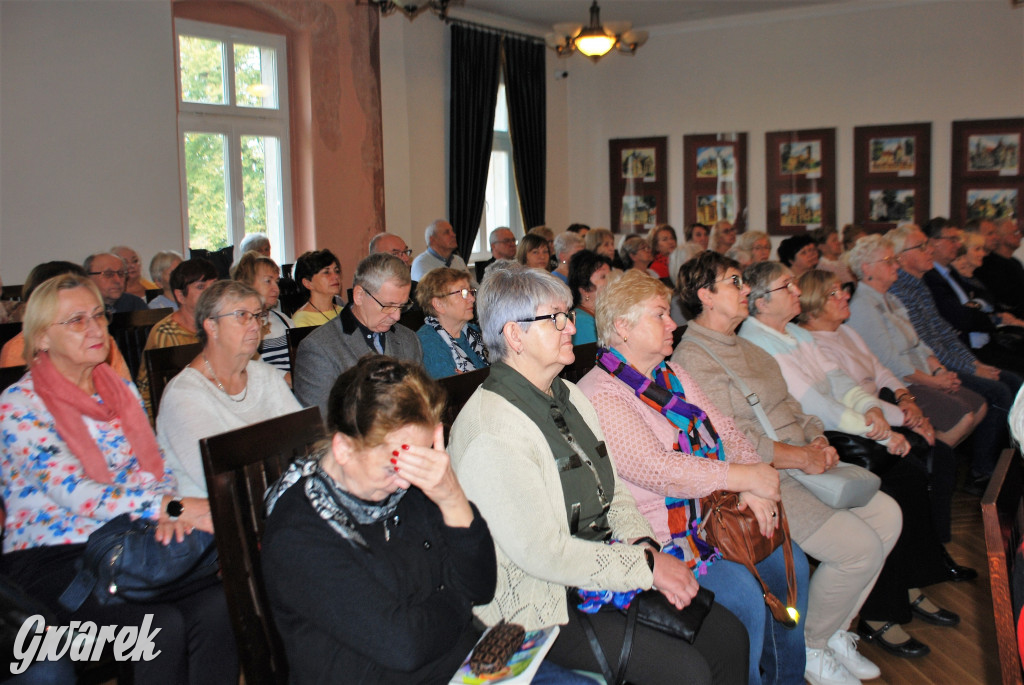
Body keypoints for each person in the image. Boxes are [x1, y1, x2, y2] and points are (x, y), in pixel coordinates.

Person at [448, 264, 749, 685]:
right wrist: (646, 567)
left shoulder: (568, 395)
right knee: (687, 671)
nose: (572, 327)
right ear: (515, 336)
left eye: (569, 315)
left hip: (602, 567)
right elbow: (544, 554)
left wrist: (646, 547)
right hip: (542, 602)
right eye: (556, 319)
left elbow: (614, 492)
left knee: (728, 636)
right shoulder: (491, 431)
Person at [0, 273, 238, 684]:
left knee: (218, 605)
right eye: (77, 320)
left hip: (130, 538)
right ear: (41, 338)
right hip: (55, 558)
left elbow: (155, 467)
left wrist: (167, 512)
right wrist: (171, 507)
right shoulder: (19, 406)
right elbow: (77, 492)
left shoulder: (119, 391)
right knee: (158, 627)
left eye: (98, 315)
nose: (96, 328)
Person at [675, 252, 900, 685]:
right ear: (706, 295)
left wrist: (818, 440)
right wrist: (802, 457)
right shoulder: (694, 358)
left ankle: (832, 632)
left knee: (888, 515)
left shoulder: (749, 348)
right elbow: (730, 442)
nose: (745, 289)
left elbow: (794, 408)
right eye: (735, 282)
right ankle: (812, 644)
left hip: (803, 461)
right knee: (859, 550)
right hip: (766, 479)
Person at [578, 270, 810, 685]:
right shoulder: (601, 393)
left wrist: (754, 485)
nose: (673, 324)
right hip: (660, 537)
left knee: (791, 565)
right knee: (744, 597)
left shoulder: (670, 375)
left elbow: (726, 430)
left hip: (711, 514)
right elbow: (660, 470)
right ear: (623, 327)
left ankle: (787, 678)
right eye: (660, 315)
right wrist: (745, 478)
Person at [739, 261, 969, 657]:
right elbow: (815, 404)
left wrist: (873, 409)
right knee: (901, 482)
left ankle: (904, 586)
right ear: (761, 302)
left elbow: (840, 381)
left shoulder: (794, 332)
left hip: (830, 430)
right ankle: (880, 611)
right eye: (786, 286)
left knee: (914, 475)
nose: (797, 291)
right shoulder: (758, 343)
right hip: (814, 440)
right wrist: (883, 431)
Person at [262, 356, 496, 683]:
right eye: (391, 467)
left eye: (417, 460)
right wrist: (459, 597)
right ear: (344, 449)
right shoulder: (299, 534)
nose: (405, 482)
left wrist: (452, 496)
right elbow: (405, 646)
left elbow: (482, 587)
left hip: (464, 666)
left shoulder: (408, 488)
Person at [797, 269, 961, 541]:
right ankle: (924, 546)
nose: (845, 295)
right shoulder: (812, 344)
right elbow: (850, 399)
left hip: (881, 411)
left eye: (842, 290)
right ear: (812, 305)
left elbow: (881, 371)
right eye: (834, 293)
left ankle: (937, 543)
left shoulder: (846, 331)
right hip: (855, 425)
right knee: (918, 467)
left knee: (941, 456)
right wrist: (909, 420)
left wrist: (906, 399)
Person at [885, 224, 1020, 490]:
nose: (929, 250)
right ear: (901, 257)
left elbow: (944, 332)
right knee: (999, 391)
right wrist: (968, 368)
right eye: (921, 246)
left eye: (928, 244)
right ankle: (981, 472)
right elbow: (927, 344)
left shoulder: (919, 284)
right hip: (922, 370)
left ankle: (996, 465)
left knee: (1010, 382)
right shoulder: (901, 290)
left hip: (940, 363)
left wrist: (975, 364)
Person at [157, 281, 301, 497]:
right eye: (242, 315)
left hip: (281, 494)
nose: (255, 326)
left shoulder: (267, 376)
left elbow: (304, 442)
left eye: (257, 316)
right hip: (222, 510)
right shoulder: (184, 395)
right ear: (211, 326)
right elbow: (224, 483)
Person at [294, 253, 422, 416]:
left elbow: (422, 404)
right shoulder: (318, 349)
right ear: (359, 295)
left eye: (402, 306)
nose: (396, 316)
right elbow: (321, 423)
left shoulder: (408, 339)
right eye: (388, 306)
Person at [921, 218, 1024, 374]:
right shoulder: (932, 277)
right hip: (966, 349)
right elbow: (962, 318)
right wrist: (992, 318)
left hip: (983, 341)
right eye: (952, 240)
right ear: (934, 242)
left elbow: (987, 297)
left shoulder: (949, 272)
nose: (957, 245)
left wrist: (976, 306)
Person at [0, 262, 132, 379]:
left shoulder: (102, 342)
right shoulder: (18, 349)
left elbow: (125, 386)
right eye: (77, 320)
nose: (97, 331)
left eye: (98, 315)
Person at [136, 258, 218, 417]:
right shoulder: (166, 333)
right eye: (201, 287)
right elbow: (151, 393)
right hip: (182, 411)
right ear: (180, 296)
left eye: (214, 285)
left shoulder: (222, 324)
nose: (211, 293)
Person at [415, 268, 487, 379]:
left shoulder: (476, 332)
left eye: (471, 292)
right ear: (438, 304)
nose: (472, 299)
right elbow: (453, 387)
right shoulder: (427, 342)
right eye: (463, 293)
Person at [234, 251, 293, 382]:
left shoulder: (283, 320)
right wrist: (288, 378)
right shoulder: (238, 326)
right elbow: (252, 368)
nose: (276, 289)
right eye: (268, 281)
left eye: (276, 281)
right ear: (247, 285)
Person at [974, 217, 1024, 313]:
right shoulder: (986, 264)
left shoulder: (1015, 262)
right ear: (1001, 238)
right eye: (1014, 232)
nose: (1019, 236)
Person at [568, 250, 612, 345]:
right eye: (603, 277)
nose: (612, 281)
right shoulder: (581, 321)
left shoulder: (603, 314)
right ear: (585, 290)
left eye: (611, 276)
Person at [411, 219, 474, 284]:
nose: (453, 235)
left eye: (452, 231)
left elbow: (473, 285)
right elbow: (428, 290)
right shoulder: (421, 263)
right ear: (432, 240)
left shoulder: (458, 260)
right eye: (447, 232)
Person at [292, 249, 343, 327]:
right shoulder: (301, 320)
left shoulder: (345, 312)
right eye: (326, 272)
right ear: (307, 283)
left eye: (337, 271)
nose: (336, 276)